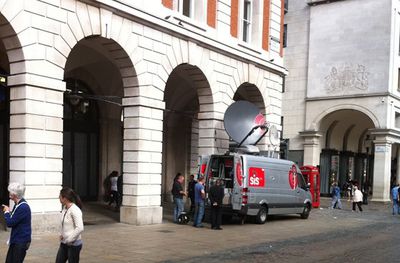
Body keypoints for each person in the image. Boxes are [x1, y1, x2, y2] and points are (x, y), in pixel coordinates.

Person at [2, 182, 31, 263]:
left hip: (21, 241)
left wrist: (7, 212)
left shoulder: (23, 207)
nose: (9, 194)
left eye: (10, 192)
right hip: (16, 240)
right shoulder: (18, 204)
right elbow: (15, 219)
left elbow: (10, 223)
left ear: (14, 195)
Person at [56, 187, 84, 263]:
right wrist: (62, 234)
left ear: (65, 198)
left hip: (73, 245)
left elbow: (80, 227)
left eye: (60, 196)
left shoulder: (75, 210)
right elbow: (63, 224)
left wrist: (69, 239)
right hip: (64, 243)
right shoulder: (65, 208)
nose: (58, 198)